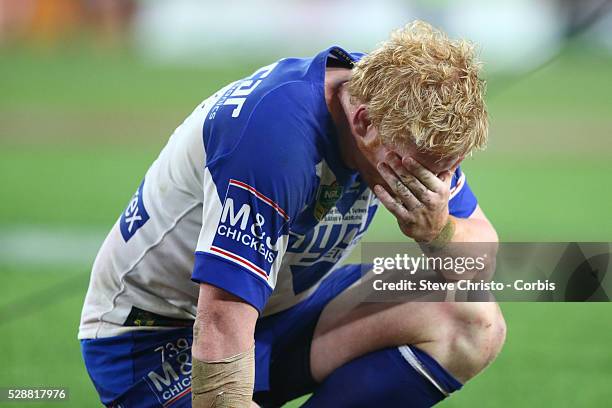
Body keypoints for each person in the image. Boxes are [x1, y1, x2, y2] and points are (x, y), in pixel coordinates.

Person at [79, 21, 506, 408]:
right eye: (427, 167)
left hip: (278, 311)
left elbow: (482, 265)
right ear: (363, 123)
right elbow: (221, 334)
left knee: (471, 319)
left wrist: (440, 231)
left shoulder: (398, 107)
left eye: (449, 166)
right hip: (160, 340)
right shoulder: (275, 142)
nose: (439, 182)